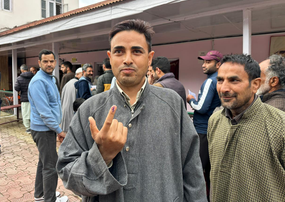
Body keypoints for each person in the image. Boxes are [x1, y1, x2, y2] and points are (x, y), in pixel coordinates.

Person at [56, 19, 207, 202]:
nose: (128, 59)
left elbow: (192, 171)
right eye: (119, 51)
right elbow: (68, 174)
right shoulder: (89, 110)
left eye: (137, 51)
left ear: (149, 58)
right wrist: (102, 157)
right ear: (110, 57)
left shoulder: (172, 104)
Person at [208, 54, 285, 201]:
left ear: (255, 84)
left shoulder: (283, 125)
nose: (224, 88)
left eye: (234, 80)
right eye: (220, 80)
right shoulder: (215, 121)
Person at [28, 49, 68, 202]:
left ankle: (40, 195)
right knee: (51, 167)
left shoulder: (50, 78)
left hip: (47, 129)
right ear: (39, 63)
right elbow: (44, 112)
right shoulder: (39, 81)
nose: (49, 64)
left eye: (51, 61)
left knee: (43, 163)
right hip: (43, 130)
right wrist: (59, 130)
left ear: (55, 62)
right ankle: (49, 199)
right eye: (45, 61)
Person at [186, 50, 222, 196]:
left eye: (208, 62)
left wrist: (190, 100)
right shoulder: (220, 80)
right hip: (213, 129)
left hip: (202, 130)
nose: (203, 65)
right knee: (210, 171)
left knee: (198, 170)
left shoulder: (210, 81)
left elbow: (201, 108)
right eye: (203, 62)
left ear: (218, 64)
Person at [60, 67, 83, 132]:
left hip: (65, 111)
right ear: (78, 74)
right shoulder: (77, 84)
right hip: (72, 111)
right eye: (83, 73)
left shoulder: (69, 83)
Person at [14, 64, 33, 133]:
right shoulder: (33, 77)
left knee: (25, 114)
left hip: (24, 98)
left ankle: (28, 128)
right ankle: (33, 127)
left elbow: (16, 88)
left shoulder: (19, 78)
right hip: (33, 98)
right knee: (33, 113)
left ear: (21, 70)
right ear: (27, 69)